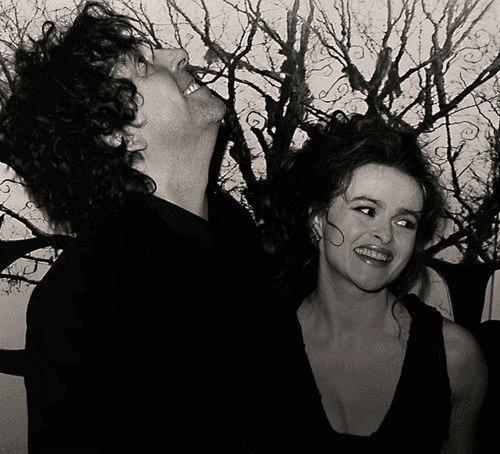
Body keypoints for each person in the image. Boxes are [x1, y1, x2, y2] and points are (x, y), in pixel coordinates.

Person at [0, 2, 281, 452]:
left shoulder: (236, 232)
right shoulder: (84, 297)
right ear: (119, 132)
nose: (179, 54)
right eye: (144, 64)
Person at [263, 111, 488, 453]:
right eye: (366, 210)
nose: (385, 234)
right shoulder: (259, 344)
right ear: (318, 219)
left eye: (405, 222)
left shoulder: (455, 357)